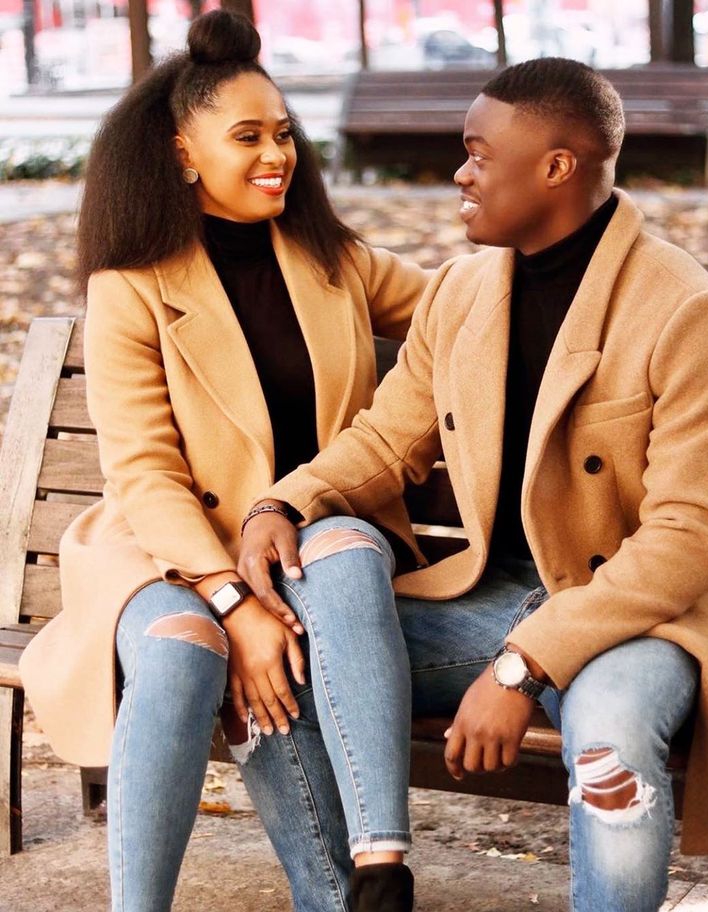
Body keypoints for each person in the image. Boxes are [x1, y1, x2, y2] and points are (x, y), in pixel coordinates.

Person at [238, 58, 708, 912]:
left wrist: (522, 668)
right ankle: (348, 898)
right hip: (491, 598)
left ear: (555, 167)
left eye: (476, 154)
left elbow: (689, 537)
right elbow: (387, 440)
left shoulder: (688, 312)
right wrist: (286, 501)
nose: (460, 175)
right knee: (273, 661)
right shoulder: (463, 293)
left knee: (608, 738)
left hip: (637, 612)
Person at [19, 10, 431, 912]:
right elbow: (145, 471)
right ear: (181, 152)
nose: (276, 153)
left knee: (304, 600)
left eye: (283, 133)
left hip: (306, 543)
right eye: (246, 136)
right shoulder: (131, 286)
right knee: (183, 652)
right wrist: (231, 599)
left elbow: (461, 314)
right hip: (166, 549)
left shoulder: (334, 259)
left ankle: (361, 883)